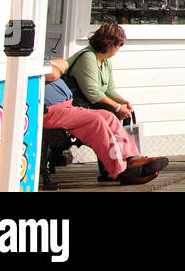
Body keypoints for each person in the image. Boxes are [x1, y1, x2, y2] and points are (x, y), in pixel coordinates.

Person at [42, 57, 168, 185]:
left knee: (108, 116)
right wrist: (51, 67)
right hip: (49, 112)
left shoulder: (38, 60)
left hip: (67, 107)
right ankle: (120, 171)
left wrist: (48, 65)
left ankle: (132, 158)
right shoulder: (25, 62)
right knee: (96, 120)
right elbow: (54, 73)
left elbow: (63, 64)